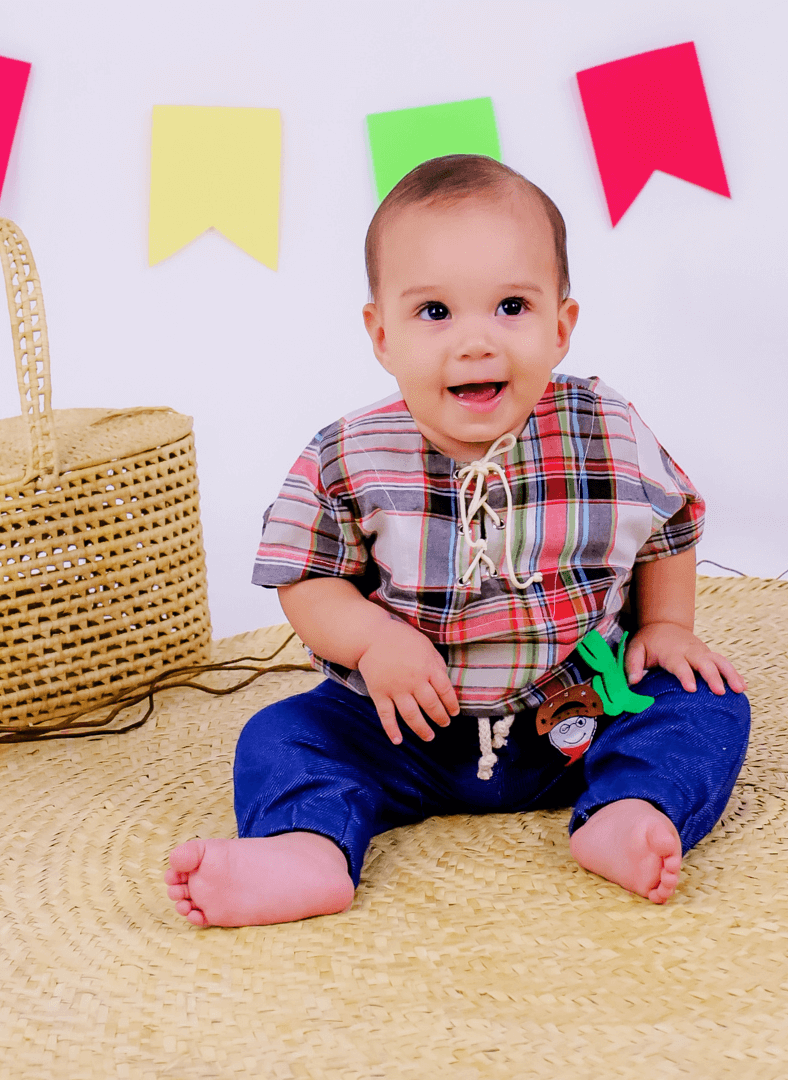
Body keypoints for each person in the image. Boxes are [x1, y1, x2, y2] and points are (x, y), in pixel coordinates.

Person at [165, 154, 750, 927]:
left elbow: (670, 521)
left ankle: (629, 807)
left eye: (511, 306)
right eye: (435, 313)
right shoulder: (350, 455)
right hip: (403, 724)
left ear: (562, 326)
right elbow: (305, 576)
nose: (476, 342)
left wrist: (669, 626)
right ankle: (308, 848)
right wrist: (373, 642)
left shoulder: (605, 430)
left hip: (576, 713)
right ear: (380, 334)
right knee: (284, 734)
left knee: (707, 703)